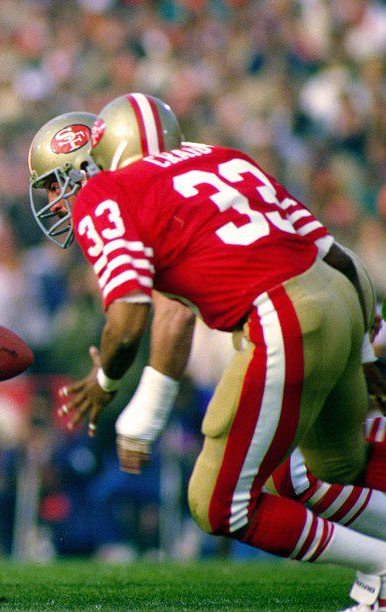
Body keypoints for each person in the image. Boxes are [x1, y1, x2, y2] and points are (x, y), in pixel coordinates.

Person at [27, 96, 385, 610]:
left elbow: (129, 320)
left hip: (283, 317)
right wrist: (366, 354)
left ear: (93, 162)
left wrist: (105, 382)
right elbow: (338, 255)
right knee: (323, 473)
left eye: (57, 184)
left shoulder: (108, 190)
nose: (57, 202)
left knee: (218, 504)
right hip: (342, 301)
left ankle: (380, 569)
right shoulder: (222, 158)